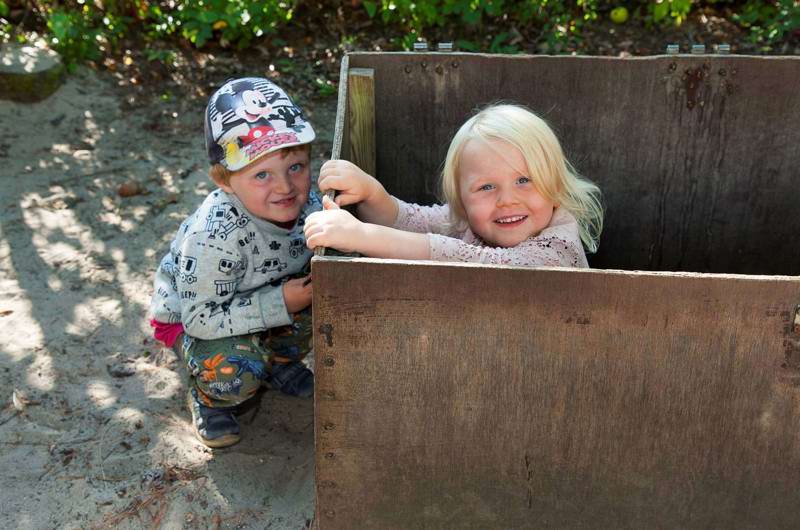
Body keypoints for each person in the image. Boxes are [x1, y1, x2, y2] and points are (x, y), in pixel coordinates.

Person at [149, 77, 320, 448]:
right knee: (234, 370)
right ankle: (209, 397)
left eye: (296, 166)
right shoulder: (213, 237)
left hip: (260, 292)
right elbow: (200, 317)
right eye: (262, 174)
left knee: (326, 297)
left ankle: (279, 364)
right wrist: (280, 303)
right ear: (224, 180)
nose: (285, 187)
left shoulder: (308, 202)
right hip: (193, 317)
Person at [304, 103, 603, 267]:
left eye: (524, 180)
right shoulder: (471, 219)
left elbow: (479, 262)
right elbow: (410, 221)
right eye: (486, 187)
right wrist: (371, 192)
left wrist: (361, 235)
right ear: (462, 198)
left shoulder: (558, 250)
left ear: (555, 183)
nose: (507, 200)